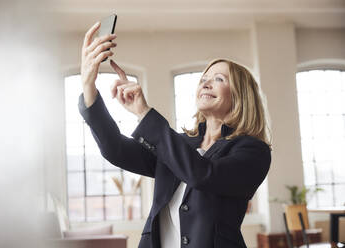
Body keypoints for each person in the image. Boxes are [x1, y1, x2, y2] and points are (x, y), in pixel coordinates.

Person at [78, 21, 272, 248]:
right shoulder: (178, 145)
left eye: (219, 79)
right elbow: (116, 150)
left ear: (241, 95)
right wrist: (88, 86)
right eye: (204, 79)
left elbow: (203, 174)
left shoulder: (253, 151)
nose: (206, 83)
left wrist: (145, 113)